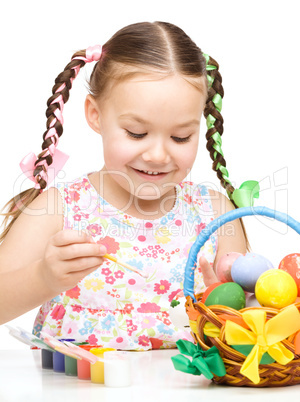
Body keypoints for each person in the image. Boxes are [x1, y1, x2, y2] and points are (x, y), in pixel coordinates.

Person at [0, 21, 252, 350]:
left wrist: (231, 305)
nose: (158, 154)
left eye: (181, 137)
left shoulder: (215, 214)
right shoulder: (59, 210)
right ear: (95, 114)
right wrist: (43, 278)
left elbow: (254, 318)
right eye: (136, 133)